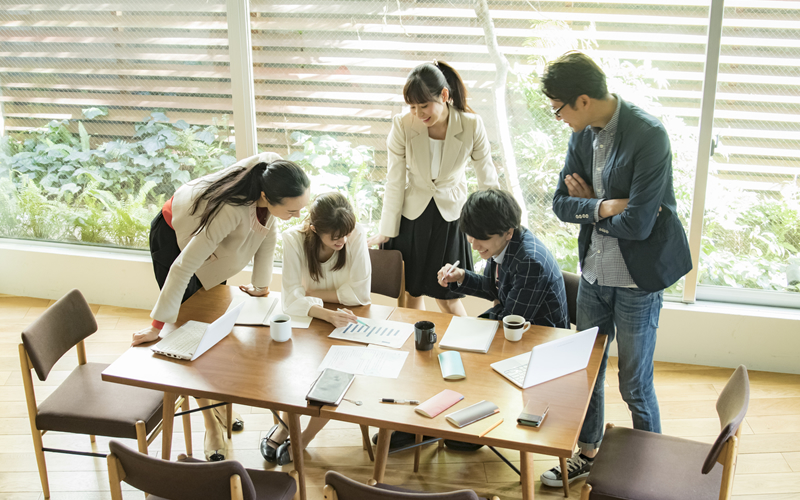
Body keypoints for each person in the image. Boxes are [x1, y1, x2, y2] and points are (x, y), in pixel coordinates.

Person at [541, 52, 692, 487]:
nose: (559, 118)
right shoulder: (582, 135)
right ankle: (587, 452)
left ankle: (651, 469)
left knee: (634, 383)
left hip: (637, 279)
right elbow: (560, 204)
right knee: (587, 374)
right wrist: (603, 205)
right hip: (593, 273)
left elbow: (641, 222)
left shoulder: (648, 134)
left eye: (559, 109)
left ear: (582, 100)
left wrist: (589, 206)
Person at [130, 151, 311, 461]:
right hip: (175, 235)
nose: (297, 217)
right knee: (191, 334)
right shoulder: (231, 210)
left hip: (212, 242)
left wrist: (262, 286)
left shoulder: (272, 179)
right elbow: (183, 267)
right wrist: (157, 326)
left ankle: (219, 403)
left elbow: (267, 233)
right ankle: (210, 423)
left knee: (214, 326)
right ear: (266, 197)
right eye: (292, 211)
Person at [367, 60, 500, 316]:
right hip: (411, 218)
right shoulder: (403, 125)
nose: (418, 113)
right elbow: (394, 179)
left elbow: (488, 179)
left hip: (451, 219)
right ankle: (410, 351)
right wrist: (386, 231)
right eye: (413, 107)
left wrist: (495, 228)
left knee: (447, 296)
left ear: (445, 95)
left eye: (424, 105)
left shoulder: (471, 125)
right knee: (410, 294)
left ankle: (465, 350)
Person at [260, 192, 371, 465]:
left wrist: (313, 296)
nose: (342, 241)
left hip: (349, 319)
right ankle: (285, 427)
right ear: (314, 230)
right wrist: (326, 310)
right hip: (316, 319)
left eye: (345, 234)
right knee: (300, 372)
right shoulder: (294, 240)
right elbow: (289, 299)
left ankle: (305, 436)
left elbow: (360, 296)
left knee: (336, 379)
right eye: (335, 237)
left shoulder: (355, 235)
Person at [438, 189, 569, 329]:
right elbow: (492, 287)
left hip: (540, 336)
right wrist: (460, 276)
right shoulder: (501, 242)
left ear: (508, 233)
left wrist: (494, 308)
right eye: (471, 235)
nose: (475, 245)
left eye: (482, 238)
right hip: (519, 328)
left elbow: (511, 322)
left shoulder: (530, 262)